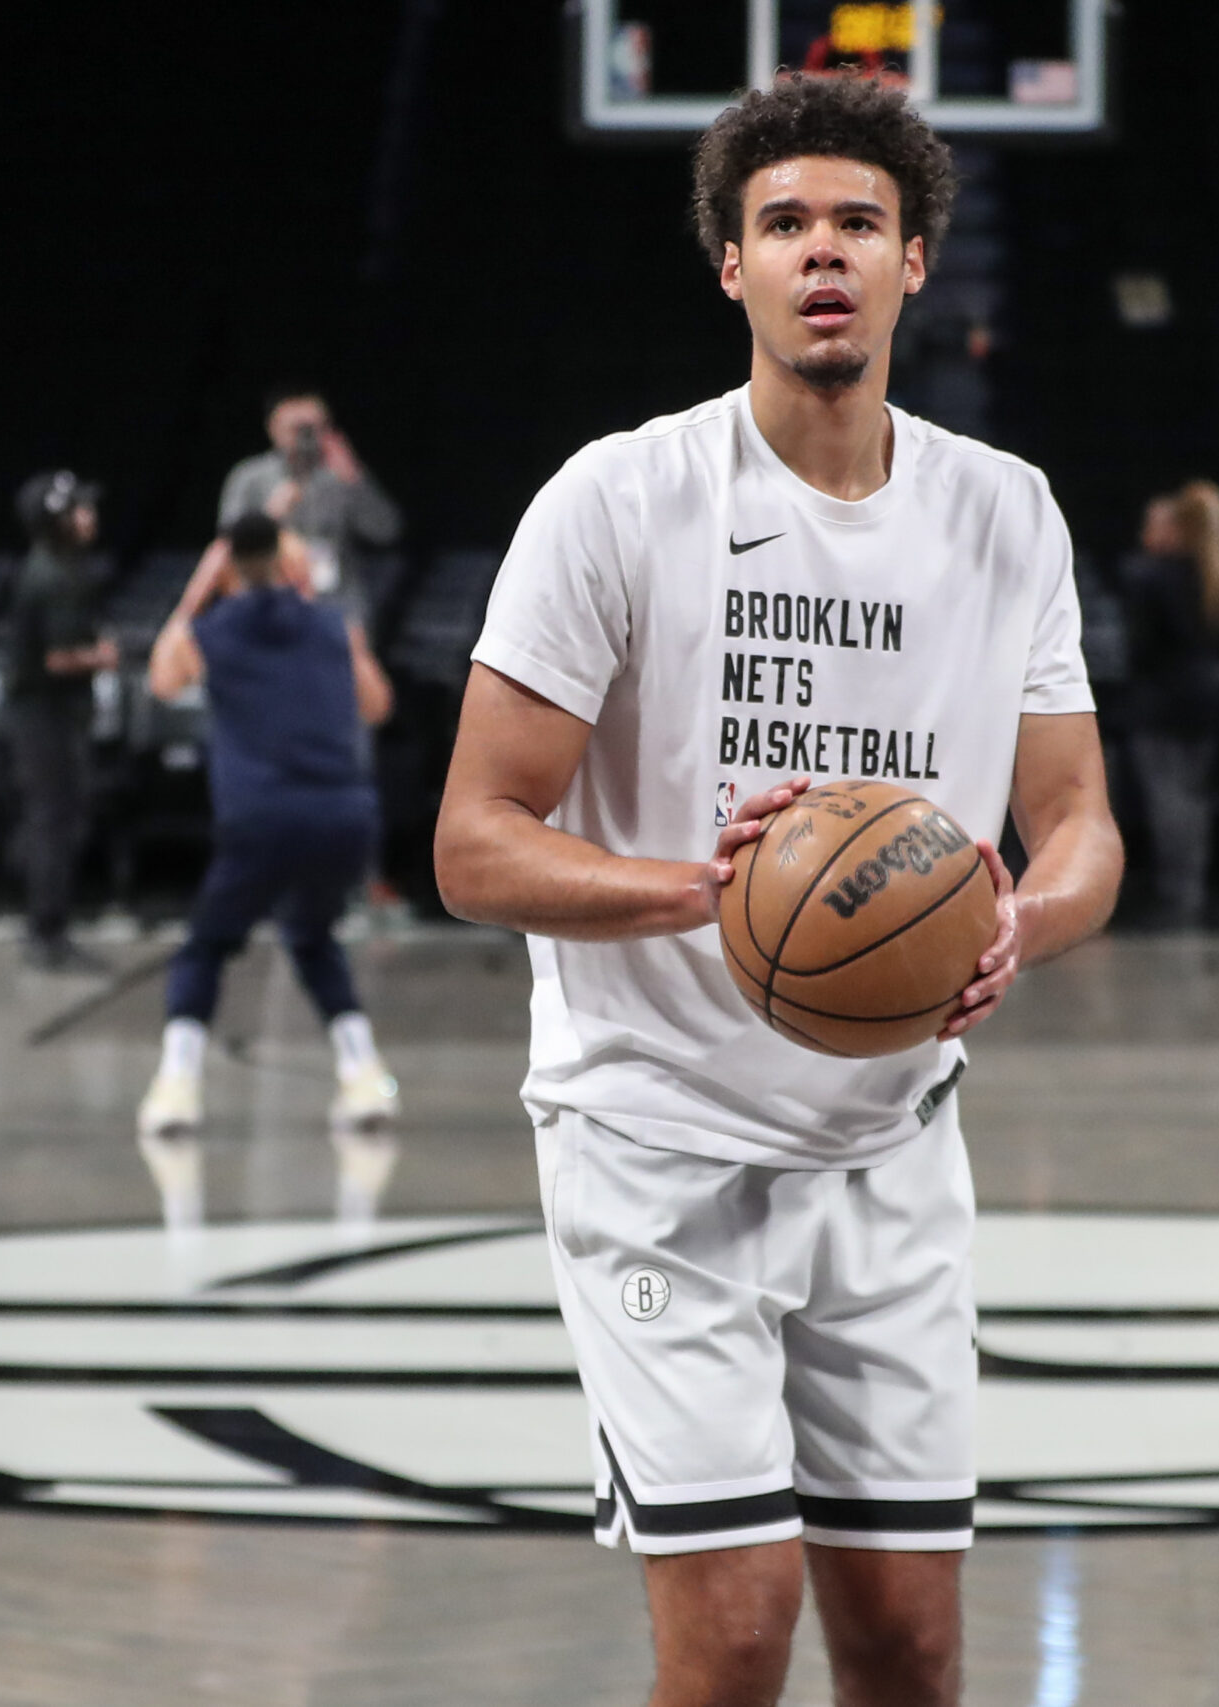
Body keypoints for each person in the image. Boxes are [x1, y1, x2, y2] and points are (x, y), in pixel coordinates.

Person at [434, 75, 1122, 1707]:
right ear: (731, 267)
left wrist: (1018, 916)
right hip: (657, 1142)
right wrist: (705, 893)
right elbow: (474, 839)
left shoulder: (1005, 514)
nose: (826, 252)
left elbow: (1079, 818)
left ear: (916, 263)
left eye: (860, 224)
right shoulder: (617, 500)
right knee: (740, 1632)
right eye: (786, 223)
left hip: (891, 1147)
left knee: (908, 1644)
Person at [135, 512, 401, 1137]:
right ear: (291, 568)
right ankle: (364, 1079)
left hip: (262, 817)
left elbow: (162, 678)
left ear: (227, 565)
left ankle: (177, 1089)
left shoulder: (214, 629)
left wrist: (200, 588)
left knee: (205, 946)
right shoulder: (335, 627)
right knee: (313, 939)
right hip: (345, 817)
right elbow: (377, 704)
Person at [4, 469, 117, 971]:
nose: (90, 517)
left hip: (48, 714)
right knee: (54, 821)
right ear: (59, 521)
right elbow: (57, 658)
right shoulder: (53, 576)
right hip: (45, 716)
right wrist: (103, 656)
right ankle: (46, 933)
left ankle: (46, 924)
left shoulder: (61, 567)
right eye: (80, 510)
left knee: (59, 818)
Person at [1115, 479, 1219, 928]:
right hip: (1206, 703)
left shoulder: (1148, 577)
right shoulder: (1215, 574)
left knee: (1169, 800)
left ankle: (1175, 895)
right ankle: (1191, 889)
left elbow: (1140, 649)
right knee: (1193, 799)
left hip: (1162, 704)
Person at [214, 386, 403, 629]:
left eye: (313, 428)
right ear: (273, 428)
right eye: (296, 428)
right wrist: (269, 516)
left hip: (338, 608)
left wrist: (356, 479)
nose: (305, 437)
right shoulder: (250, 477)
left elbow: (386, 532)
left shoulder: (342, 475)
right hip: (269, 606)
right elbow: (226, 548)